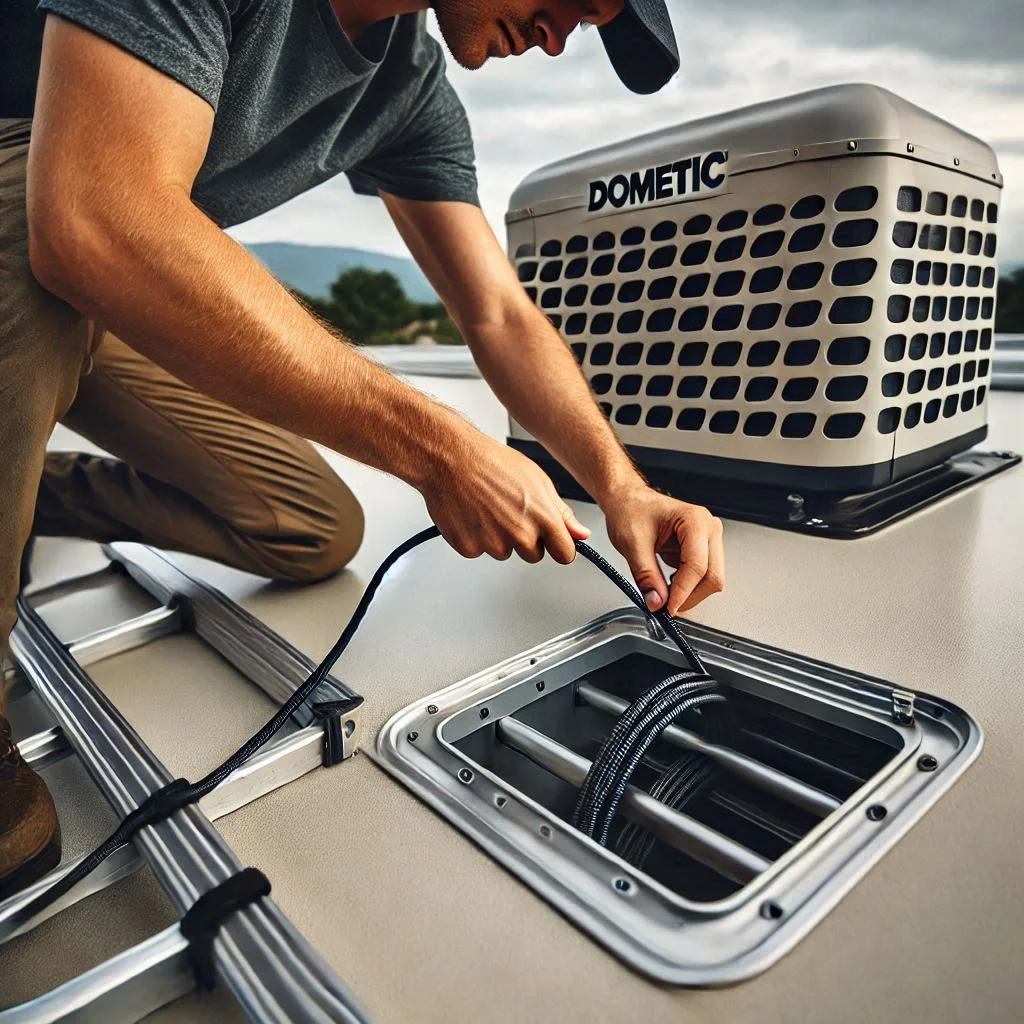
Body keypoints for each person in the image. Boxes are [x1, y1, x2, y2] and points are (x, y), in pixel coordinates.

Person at [0, 0, 725, 899]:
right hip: (39, 228)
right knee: (30, 192)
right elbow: (95, 219)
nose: (559, 35)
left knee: (309, 527)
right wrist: (439, 451)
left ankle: (29, 488)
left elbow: (496, 314)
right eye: (579, 2)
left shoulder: (408, 89)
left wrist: (620, 489)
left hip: (88, 289)